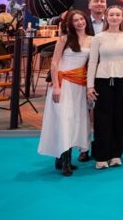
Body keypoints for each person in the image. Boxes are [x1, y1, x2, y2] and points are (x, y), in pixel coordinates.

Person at [38, 10, 94, 176]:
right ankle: (65, 161)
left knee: (74, 121)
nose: (80, 22)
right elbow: (54, 64)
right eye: (75, 20)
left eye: (81, 19)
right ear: (70, 23)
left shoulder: (93, 40)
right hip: (64, 85)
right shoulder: (64, 39)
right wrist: (56, 86)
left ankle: (61, 157)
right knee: (63, 120)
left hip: (80, 85)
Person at [86, 6, 123, 169]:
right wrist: (90, 86)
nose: (114, 17)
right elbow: (92, 62)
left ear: (122, 18)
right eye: (111, 15)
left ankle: (116, 154)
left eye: (117, 15)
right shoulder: (98, 37)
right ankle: (102, 156)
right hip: (102, 80)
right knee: (102, 118)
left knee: (119, 117)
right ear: (106, 17)